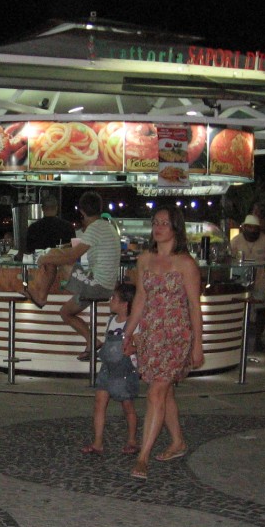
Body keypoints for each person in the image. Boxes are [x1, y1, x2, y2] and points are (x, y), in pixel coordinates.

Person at [123, 204, 204, 480]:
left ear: (176, 228)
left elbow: (194, 306)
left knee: (156, 392)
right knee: (164, 392)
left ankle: (143, 458)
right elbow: (140, 298)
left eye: (164, 223)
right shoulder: (145, 259)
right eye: (155, 222)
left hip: (176, 335)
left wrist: (197, 344)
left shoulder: (185, 264)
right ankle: (178, 441)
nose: (158, 228)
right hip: (151, 334)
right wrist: (128, 332)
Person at [23, 191, 121, 360]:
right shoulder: (107, 226)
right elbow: (75, 249)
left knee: (53, 256)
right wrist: (56, 253)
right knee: (65, 312)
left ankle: (41, 297)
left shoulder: (94, 228)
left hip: (96, 285)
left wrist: (45, 258)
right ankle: (93, 342)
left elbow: (70, 258)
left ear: (81, 211)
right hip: (104, 286)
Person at [81, 281, 140, 456]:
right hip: (107, 368)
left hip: (124, 371)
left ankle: (132, 440)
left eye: (114, 298)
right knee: (99, 403)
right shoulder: (111, 321)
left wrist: (133, 349)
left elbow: (141, 344)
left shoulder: (133, 323)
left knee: (127, 406)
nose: (110, 300)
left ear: (125, 304)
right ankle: (98, 442)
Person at [229, 214, 265, 351]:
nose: (252, 230)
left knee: (260, 309)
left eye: (255, 228)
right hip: (240, 280)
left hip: (260, 280)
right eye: (249, 227)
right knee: (240, 309)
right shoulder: (236, 240)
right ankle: (238, 340)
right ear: (244, 228)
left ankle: (258, 340)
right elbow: (228, 258)